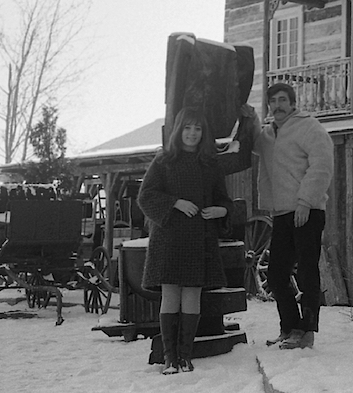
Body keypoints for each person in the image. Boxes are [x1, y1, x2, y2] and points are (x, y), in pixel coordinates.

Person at [138, 107, 234, 374]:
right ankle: (170, 358)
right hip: (168, 238)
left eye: (198, 129)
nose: (192, 134)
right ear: (179, 130)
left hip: (199, 239)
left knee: (192, 295)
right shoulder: (164, 161)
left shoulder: (210, 164)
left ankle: (185, 356)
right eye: (188, 128)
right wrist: (175, 203)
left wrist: (222, 210)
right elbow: (145, 197)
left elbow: (223, 199)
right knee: (171, 295)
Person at [250, 82, 334, 350]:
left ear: (293, 103)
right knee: (276, 274)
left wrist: (305, 202)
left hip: (307, 210)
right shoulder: (268, 136)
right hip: (283, 213)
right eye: (273, 101)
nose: (278, 105)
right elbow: (250, 143)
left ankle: (307, 332)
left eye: (283, 100)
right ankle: (290, 327)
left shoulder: (308, 127)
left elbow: (322, 164)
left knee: (308, 272)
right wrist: (247, 115)